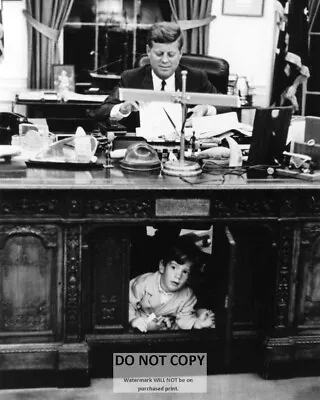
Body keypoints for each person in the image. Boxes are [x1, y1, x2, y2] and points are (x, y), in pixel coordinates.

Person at [95, 21, 218, 132]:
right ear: (148, 51)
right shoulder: (131, 78)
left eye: (171, 54)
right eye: (159, 54)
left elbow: (227, 106)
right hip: (142, 150)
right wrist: (122, 109)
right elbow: (102, 111)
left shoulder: (196, 78)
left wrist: (206, 108)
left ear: (180, 53)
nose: (164, 60)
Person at [129, 235, 215, 332]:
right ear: (162, 266)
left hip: (165, 330)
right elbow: (126, 303)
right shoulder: (144, 283)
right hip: (140, 324)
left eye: (185, 272)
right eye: (173, 267)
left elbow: (185, 317)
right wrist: (133, 320)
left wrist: (196, 323)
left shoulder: (187, 295)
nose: (178, 276)